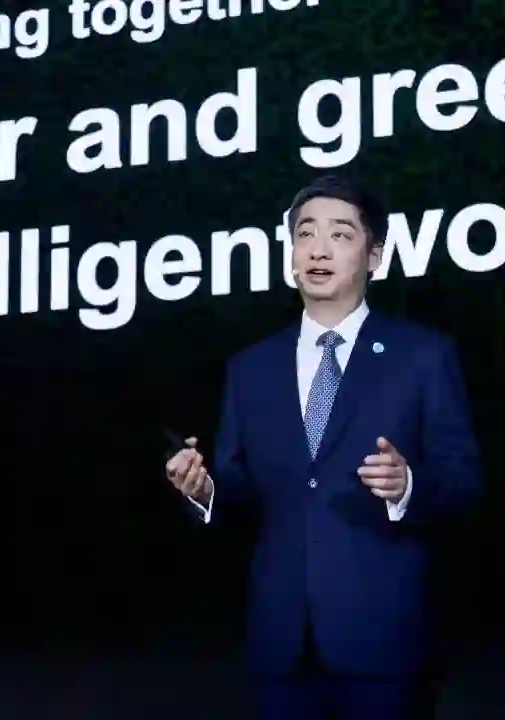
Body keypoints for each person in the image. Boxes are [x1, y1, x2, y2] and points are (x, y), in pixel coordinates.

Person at [165, 175, 482, 720]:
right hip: (281, 646)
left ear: (374, 256)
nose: (318, 249)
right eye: (305, 233)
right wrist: (204, 491)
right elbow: (241, 489)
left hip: (385, 641)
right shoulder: (250, 369)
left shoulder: (423, 356)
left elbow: (465, 482)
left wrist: (407, 486)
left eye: (340, 234)